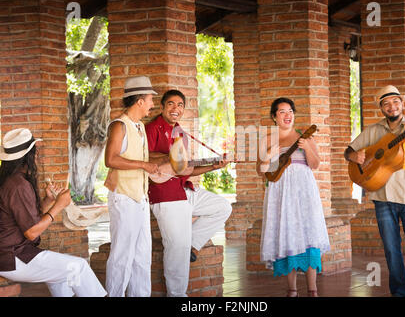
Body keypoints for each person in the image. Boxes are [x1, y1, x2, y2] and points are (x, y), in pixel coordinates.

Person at [344, 85, 405, 297]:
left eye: (395, 101)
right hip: (382, 198)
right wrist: (354, 157)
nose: (391, 106)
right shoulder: (373, 130)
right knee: (392, 252)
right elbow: (348, 151)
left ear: (402, 104)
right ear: (381, 108)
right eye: (386, 103)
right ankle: (399, 293)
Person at [145, 89, 232, 297]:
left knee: (222, 207)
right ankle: (177, 295)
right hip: (164, 194)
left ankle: (192, 244)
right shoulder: (151, 128)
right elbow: (143, 157)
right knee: (175, 247)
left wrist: (214, 166)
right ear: (162, 107)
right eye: (171, 104)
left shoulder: (181, 133)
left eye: (180, 105)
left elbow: (186, 168)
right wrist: (169, 159)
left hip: (185, 189)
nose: (176, 109)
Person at [0, 128, 106, 297]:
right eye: (35, 153)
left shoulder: (10, 180)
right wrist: (58, 205)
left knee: (61, 275)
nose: (36, 157)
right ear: (28, 156)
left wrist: (49, 201)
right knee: (78, 267)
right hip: (13, 258)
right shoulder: (18, 185)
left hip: (11, 255)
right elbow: (31, 232)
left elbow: (25, 220)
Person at [257, 97, 330, 297]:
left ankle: (312, 290)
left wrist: (306, 148)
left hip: (304, 192)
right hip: (280, 192)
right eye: (282, 112)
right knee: (286, 234)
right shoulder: (267, 139)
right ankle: (292, 290)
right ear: (274, 117)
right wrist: (269, 155)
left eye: (290, 111)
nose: (287, 115)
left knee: (308, 234)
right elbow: (261, 171)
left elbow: (315, 165)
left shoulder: (304, 137)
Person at [104, 76, 159, 297]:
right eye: (150, 99)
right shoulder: (119, 126)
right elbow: (111, 159)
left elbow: (140, 157)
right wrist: (144, 165)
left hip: (140, 199)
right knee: (121, 256)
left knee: (142, 256)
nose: (152, 104)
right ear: (139, 101)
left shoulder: (139, 127)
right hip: (124, 199)